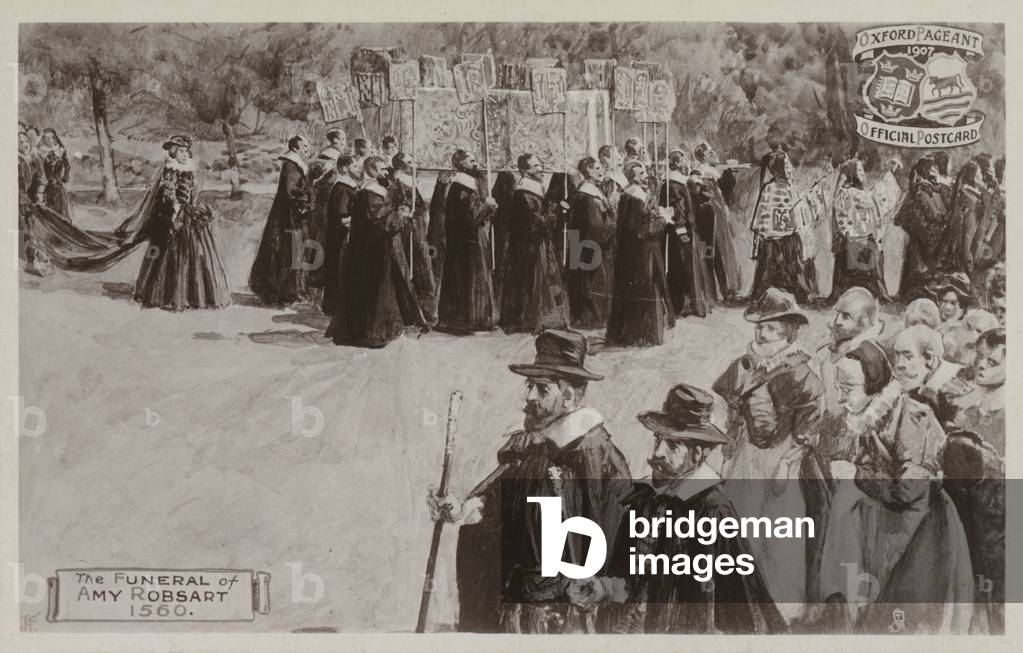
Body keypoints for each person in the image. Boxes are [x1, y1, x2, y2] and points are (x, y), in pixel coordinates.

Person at [427, 330, 631, 633]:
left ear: (569, 396)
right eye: (530, 386)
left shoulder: (598, 455)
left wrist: (599, 587)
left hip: (562, 615)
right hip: (513, 603)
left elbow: (622, 536)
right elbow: (494, 499)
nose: (528, 397)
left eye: (541, 389)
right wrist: (461, 508)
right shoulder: (530, 444)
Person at [599, 384, 787, 634]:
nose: (657, 454)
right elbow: (621, 573)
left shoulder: (713, 510)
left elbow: (739, 599)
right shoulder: (645, 499)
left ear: (698, 453)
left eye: (672, 446)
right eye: (658, 441)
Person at [817, 340, 974, 634]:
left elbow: (908, 490)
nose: (841, 397)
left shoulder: (913, 417)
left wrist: (858, 474)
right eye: (839, 387)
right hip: (881, 518)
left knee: (905, 612)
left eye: (848, 387)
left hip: (919, 526)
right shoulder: (861, 418)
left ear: (875, 386)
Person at [714, 288, 829, 625]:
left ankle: (781, 607)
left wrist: (789, 461)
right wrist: (726, 449)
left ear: (787, 333)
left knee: (779, 532)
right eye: (760, 327)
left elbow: (811, 422)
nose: (761, 333)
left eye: (770, 328)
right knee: (740, 524)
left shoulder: (799, 371)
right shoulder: (744, 365)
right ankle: (739, 603)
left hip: (782, 458)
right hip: (747, 454)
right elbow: (732, 414)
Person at [326, 156, 425, 348]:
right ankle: (371, 334)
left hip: (379, 249)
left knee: (383, 291)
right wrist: (400, 215)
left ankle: (383, 331)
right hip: (372, 253)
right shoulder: (370, 193)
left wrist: (402, 211)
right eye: (382, 169)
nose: (386, 172)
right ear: (371, 171)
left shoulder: (378, 190)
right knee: (374, 292)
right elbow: (382, 223)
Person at [132, 135, 232, 310]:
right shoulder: (170, 170)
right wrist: (175, 210)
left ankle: (193, 294)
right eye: (181, 151)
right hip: (173, 216)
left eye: (187, 151)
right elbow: (168, 194)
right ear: (173, 152)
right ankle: (167, 293)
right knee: (167, 254)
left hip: (188, 215)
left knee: (195, 254)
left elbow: (192, 195)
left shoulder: (190, 170)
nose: (185, 155)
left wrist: (197, 209)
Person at [605, 161, 675, 347]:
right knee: (643, 290)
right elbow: (640, 231)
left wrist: (655, 215)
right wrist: (663, 220)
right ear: (634, 177)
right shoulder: (633, 197)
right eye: (641, 173)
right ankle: (641, 335)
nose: (645, 175)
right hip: (640, 254)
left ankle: (642, 334)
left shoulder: (635, 194)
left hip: (642, 251)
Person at [499, 154, 568, 334]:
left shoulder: (534, 190)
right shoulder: (524, 193)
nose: (540, 169)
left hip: (535, 244)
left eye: (540, 165)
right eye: (535, 167)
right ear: (524, 171)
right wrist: (555, 210)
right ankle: (526, 321)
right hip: (528, 246)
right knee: (529, 282)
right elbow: (538, 222)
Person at [435, 149, 499, 334]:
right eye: (471, 160)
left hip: (471, 240)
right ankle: (466, 321)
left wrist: (487, 208)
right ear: (461, 164)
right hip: (466, 242)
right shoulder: (461, 188)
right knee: (467, 279)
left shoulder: (468, 185)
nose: (476, 163)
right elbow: (470, 219)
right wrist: (487, 207)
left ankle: (475, 320)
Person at [249, 135, 313, 306]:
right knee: (288, 247)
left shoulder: (295, 163)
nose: (307, 148)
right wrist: (304, 202)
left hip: (291, 211)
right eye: (305, 145)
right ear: (296, 147)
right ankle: (285, 291)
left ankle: (292, 290)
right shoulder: (291, 164)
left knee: (293, 248)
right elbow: (291, 191)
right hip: (289, 214)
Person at [749, 150, 815, 304]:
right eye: (786, 166)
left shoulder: (792, 187)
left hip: (789, 237)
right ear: (777, 170)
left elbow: (798, 210)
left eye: (790, 165)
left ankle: (798, 294)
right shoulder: (770, 188)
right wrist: (763, 232)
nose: (790, 168)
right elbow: (763, 212)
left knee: (793, 267)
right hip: (772, 239)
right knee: (767, 269)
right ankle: (759, 296)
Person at [812, 287, 886, 423]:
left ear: (864, 321)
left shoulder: (868, 356)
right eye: (838, 313)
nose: (837, 321)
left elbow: (861, 404)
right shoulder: (828, 345)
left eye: (846, 316)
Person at [660, 151, 714, 318]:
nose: (687, 161)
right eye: (684, 159)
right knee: (681, 267)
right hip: (679, 232)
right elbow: (677, 210)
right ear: (677, 163)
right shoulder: (673, 184)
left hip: (686, 229)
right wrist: (682, 230)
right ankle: (681, 305)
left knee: (687, 267)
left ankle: (687, 303)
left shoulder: (679, 181)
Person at [565, 157, 616, 329]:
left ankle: (590, 318)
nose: (601, 170)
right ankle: (592, 319)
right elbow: (596, 226)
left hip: (585, 244)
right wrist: (613, 223)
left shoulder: (592, 192)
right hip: (591, 246)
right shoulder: (587, 195)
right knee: (591, 283)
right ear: (587, 171)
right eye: (597, 168)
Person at [829, 159, 890, 302]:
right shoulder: (846, 193)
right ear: (852, 174)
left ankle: (869, 295)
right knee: (854, 273)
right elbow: (841, 215)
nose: (863, 174)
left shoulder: (865, 193)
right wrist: (847, 234)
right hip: (853, 239)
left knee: (867, 272)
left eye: (863, 170)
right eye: (860, 171)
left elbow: (873, 216)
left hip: (866, 237)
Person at [390, 152, 438, 324]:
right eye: (409, 162)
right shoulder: (397, 182)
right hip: (407, 231)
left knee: (423, 268)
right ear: (401, 165)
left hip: (417, 228)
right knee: (414, 266)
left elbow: (421, 206)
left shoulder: (409, 181)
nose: (413, 164)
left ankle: (428, 311)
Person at [693, 142, 742, 301]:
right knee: (720, 249)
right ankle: (725, 290)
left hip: (718, 212)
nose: (715, 154)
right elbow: (718, 191)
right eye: (711, 152)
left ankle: (727, 289)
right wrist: (728, 171)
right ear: (704, 156)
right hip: (713, 215)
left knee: (723, 249)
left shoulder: (710, 170)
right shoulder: (705, 171)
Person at [895, 157, 948, 301]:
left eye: (935, 168)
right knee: (918, 268)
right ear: (925, 171)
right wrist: (941, 218)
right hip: (922, 236)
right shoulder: (921, 189)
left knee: (929, 268)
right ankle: (913, 297)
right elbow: (929, 211)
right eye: (931, 168)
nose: (934, 171)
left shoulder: (935, 188)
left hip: (934, 235)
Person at [892, 324, 963, 419]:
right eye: (897, 355)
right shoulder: (918, 382)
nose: (899, 364)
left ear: (929, 358)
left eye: (908, 357)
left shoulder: (956, 382)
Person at [320, 154, 359, 317]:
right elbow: (343, 216)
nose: (357, 169)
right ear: (344, 168)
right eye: (354, 166)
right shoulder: (342, 188)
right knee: (339, 269)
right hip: (341, 236)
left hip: (339, 235)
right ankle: (335, 307)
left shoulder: (346, 186)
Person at [934, 160, 985, 278]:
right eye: (979, 173)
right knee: (964, 250)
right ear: (973, 175)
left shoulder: (971, 192)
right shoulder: (967, 193)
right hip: (964, 231)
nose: (981, 175)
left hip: (966, 232)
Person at [18, 130, 49, 276]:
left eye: (26, 141)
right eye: (20, 142)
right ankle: (31, 263)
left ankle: (39, 256)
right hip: (21, 200)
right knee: (29, 231)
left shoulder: (35, 157)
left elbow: (43, 177)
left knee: (38, 229)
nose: (24, 144)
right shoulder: (15, 159)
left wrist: (40, 193)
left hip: (35, 199)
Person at [35, 127, 72, 223]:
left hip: (58, 187)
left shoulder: (61, 150)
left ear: (55, 138)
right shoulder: (40, 152)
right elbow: (40, 173)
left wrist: (64, 180)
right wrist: (40, 191)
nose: (49, 140)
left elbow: (67, 166)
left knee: (62, 213)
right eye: (46, 138)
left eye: (51, 137)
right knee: (49, 214)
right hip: (45, 187)